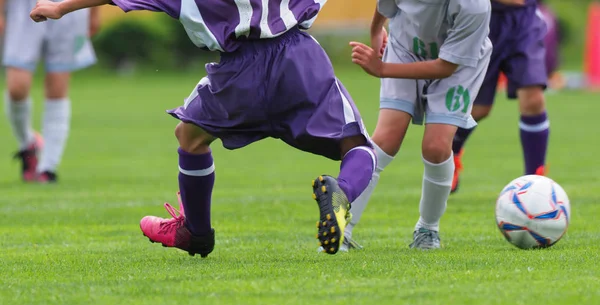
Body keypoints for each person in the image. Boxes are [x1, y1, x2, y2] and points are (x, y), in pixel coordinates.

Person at [30, 0, 377, 257]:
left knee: (190, 137)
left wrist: (61, 7)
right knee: (357, 146)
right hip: (300, 60)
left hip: (242, 70)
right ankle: (342, 193)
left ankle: (195, 232)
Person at [342, 0, 492, 250]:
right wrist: (376, 31)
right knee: (386, 140)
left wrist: (382, 69)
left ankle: (427, 229)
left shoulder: (475, 6)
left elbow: (446, 67)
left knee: (436, 147)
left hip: (458, 67)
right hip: (405, 48)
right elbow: (385, 7)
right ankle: (340, 228)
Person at [451, 0, 551, 193]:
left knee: (533, 99)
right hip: (482, 20)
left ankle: (535, 182)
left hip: (524, 20)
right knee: (478, 108)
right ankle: (451, 153)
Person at [1, 0, 99, 183]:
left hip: (70, 7)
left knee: (57, 87)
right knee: (16, 88)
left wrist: (94, 13)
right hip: (23, 8)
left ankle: (48, 167)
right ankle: (28, 144)